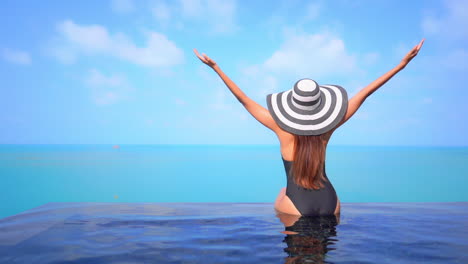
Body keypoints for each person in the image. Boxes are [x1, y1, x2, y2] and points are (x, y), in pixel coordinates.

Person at [193, 38, 425, 217]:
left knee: (282, 200)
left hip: (295, 206)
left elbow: (243, 99)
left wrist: (216, 68)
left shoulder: (279, 126)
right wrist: (401, 65)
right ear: (321, 106)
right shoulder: (327, 129)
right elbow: (364, 93)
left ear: (292, 105)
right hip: (331, 203)